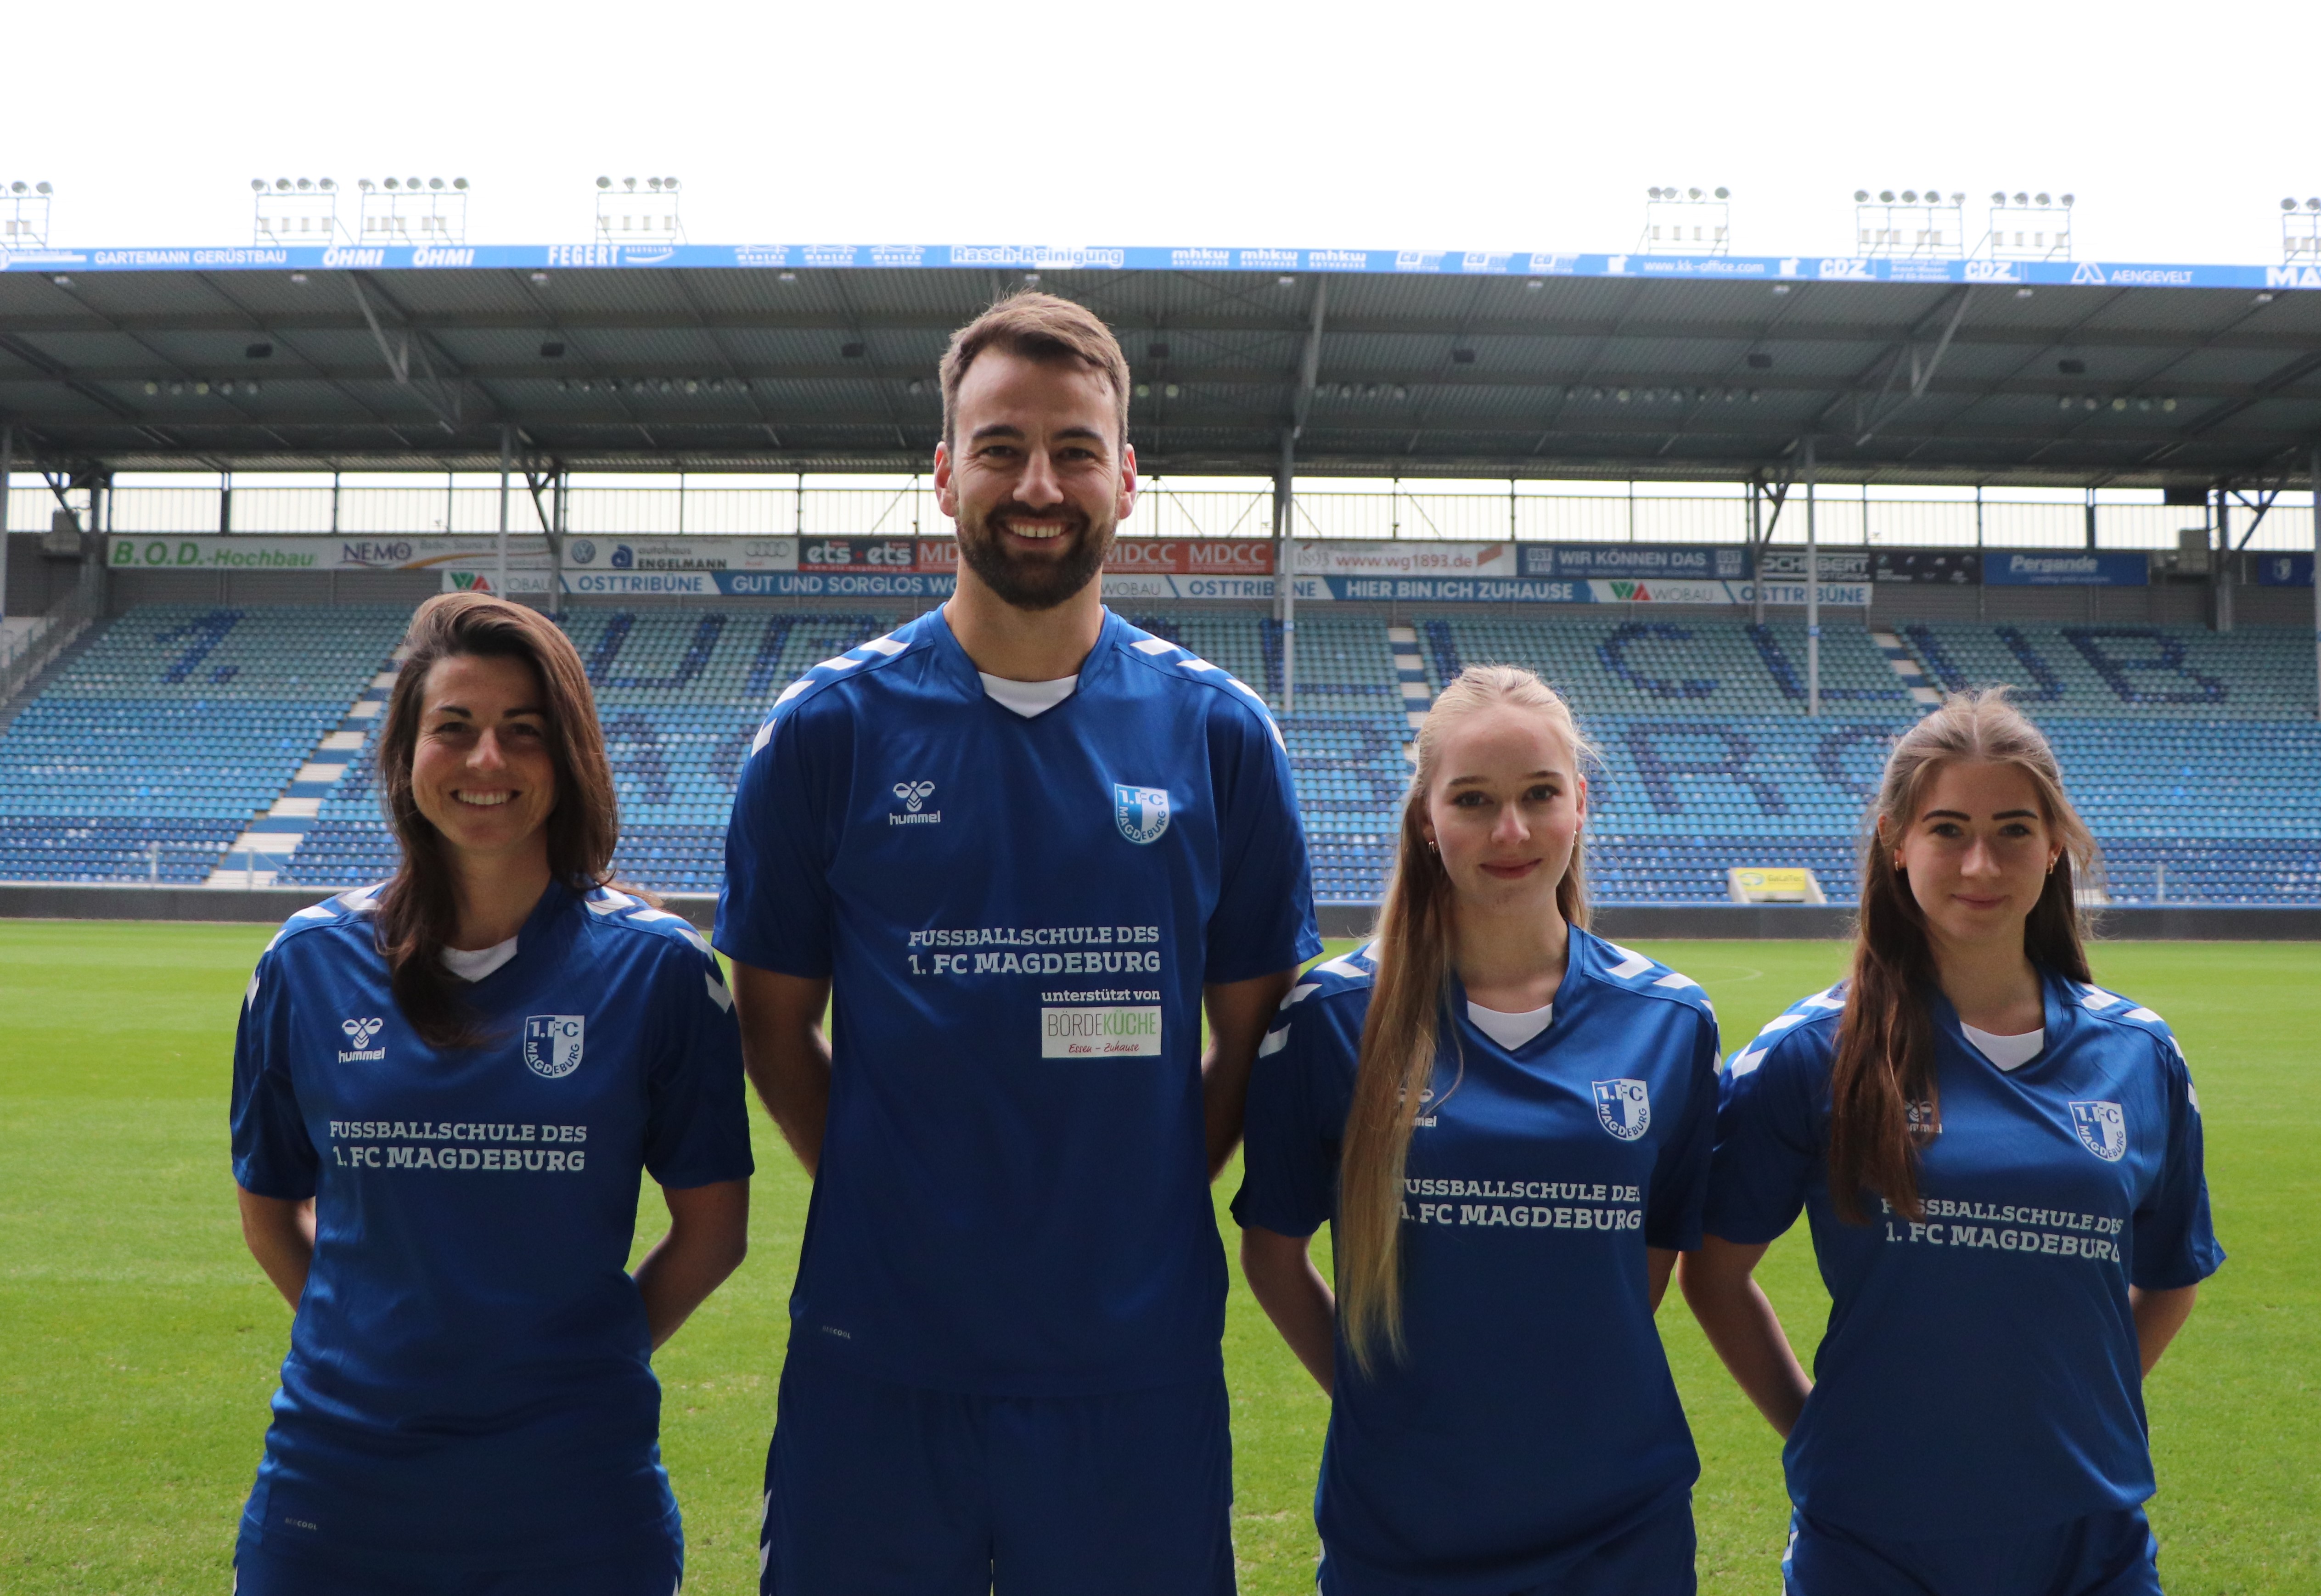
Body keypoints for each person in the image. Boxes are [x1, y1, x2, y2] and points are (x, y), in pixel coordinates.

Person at [718, 292, 1318, 1596]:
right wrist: (894, 1188)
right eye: (1000, 448)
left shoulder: (1221, 737)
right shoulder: (825, 731)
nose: (1038, 485)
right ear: (943, 474)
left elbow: (1251, 1042)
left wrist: (1133, 1192)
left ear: (1126, 478)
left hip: (1132, 1362)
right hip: (879, 1352)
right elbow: (772, 1024)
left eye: (1073, 450)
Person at [228, 592, 753, 1596]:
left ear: (571, 755)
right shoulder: (306, 963)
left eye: (524, 731)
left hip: (577, 1495)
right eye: (454, 727)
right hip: (336, 1490)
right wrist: (372, 1349)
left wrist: (578, 1363)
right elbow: (269, 1214)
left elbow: (714, 1232)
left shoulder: (659, 971)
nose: (486, 760)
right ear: (404, 753)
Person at [1681, 688, 2222, 1596]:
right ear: (1896, 842)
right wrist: (1815, 1427)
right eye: (1947, 830)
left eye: (2013, 830)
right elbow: (1713, 1272)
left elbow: (2171, 1276)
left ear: (2054, 846)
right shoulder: (1811, 1051)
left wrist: (2070, 1412)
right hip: (1873, 1537)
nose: (1981, 862)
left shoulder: (2138, 1052)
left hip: (2088, 1536)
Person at [1236, 664, 1719, 1596]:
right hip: (1404, 1521)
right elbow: (1272, 1254)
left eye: (1539, 794)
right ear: (1426, 817)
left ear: (1579, 804)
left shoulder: (1670, 1020)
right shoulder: (1331, 1017)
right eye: (1472, 800)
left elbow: (1645, 1260)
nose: (1511, 832)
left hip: (1618, 1521)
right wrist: (1387, 1408)